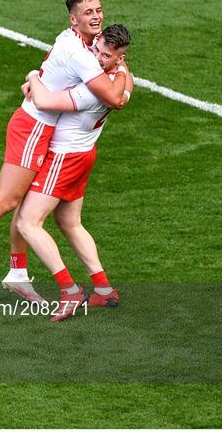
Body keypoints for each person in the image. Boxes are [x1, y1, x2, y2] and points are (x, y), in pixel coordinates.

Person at [0, 0, 128, 299]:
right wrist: (120, 70)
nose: (96, 16)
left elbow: (48, 64)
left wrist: (35, 75)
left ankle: (18, 272)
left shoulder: (76, 40)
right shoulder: (82, 55)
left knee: (24, 203)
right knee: (8, 200)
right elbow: (113, 98)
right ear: (73, 19)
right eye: (88, 12)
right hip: (34, 128)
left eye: (98, 10)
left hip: (41, 129)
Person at [15, 24, 133, 322]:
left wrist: (32, 76)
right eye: (96, 48)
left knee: (27, 223)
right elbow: (123, 92)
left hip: (63, 159)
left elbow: (43, 101)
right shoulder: (122, 79)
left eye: (105, 55)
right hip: (84, 155)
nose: (96, 56)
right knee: (70, 222)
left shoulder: (91, 89)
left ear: (119, 57)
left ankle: (69, 290)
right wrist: (118, 69)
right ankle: (104, 290)